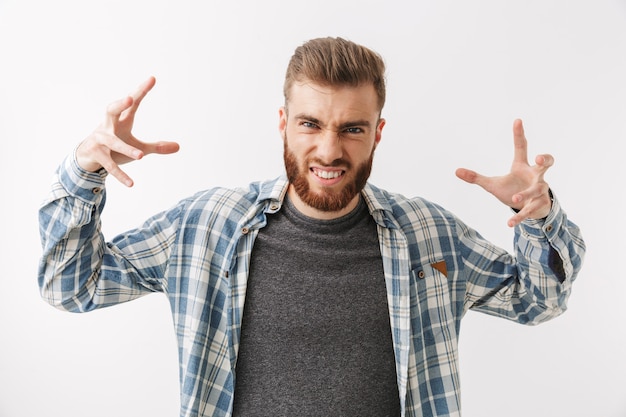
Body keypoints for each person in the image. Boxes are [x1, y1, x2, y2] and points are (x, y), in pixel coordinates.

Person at [38, 37, 585, 417]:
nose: (329, 149)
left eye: (351, 128)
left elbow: (541, 301)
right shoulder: (205, 228)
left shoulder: (429, 236)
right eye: (310, 124)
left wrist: (538, 220)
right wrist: (84, 173)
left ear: (378, 132)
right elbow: (70, 287)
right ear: (283, 122)